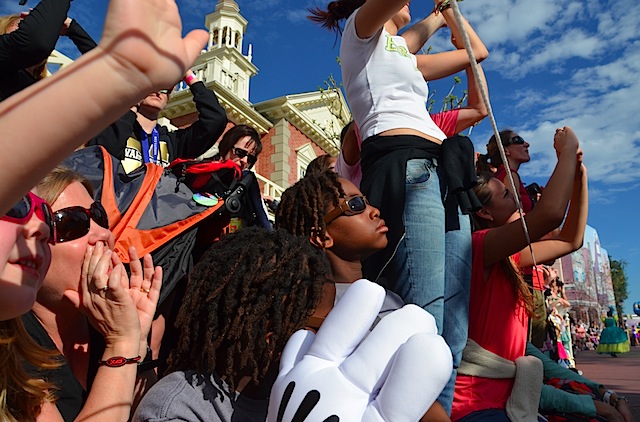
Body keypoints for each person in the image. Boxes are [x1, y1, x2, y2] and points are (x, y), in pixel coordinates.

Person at [309, 0, 488, 412]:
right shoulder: (361, 34)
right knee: (424, 322)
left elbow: (476, 55)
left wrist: (448, 14)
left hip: (444, 174)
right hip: (406, 166)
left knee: (453, 333)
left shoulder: (401, 52)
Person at [0, 0, 210, 216]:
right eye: (23, 25)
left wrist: (121, 70)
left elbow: (108, 75)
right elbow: (35, 41)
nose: (39, 27)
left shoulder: (42, 94)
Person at [275, 170, 452, 420]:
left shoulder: (386, 295)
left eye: (366, 201)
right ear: (321, 237)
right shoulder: (326, 311)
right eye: (355, 205)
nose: (374, 210)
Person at [452, 127, 588, 421]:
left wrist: (579, 176)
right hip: (476, 406)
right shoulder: (479, 247)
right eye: (504, 195)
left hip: (505, 401)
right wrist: (566, 152)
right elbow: (550, 214)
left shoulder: (509, 256)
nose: (515, 200)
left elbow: (571, 240)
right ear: (485, 214)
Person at [133, 227, 333, 422]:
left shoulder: (306, 398)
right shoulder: (177, 408)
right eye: (323, 326)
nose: (332, 337)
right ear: (270, 335)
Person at [24, 166, 162, 421]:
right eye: (73, 223)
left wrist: (138, 342)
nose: (103, 234)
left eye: (99, 216)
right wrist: (122, 345)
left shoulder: (106, 324)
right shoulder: (12, 340)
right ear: (30, 244)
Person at [87, 68, 227, 173]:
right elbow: (99, 159)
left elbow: (216, 119)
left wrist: (188, 76)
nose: (158, 91)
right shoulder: (113, 126)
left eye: (165, 88)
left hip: (153, 210)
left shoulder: (173, 142)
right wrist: (132, 105)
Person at [0, 190, 58, 421]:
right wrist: (121, 344)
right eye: (14, 203)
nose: (43, 228)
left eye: (48, 216)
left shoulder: (15, 374)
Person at [0, 0, 97, 102]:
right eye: (22, 23)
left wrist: (72, 28)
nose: (30, 26)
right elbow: (33, 42)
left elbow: (107, 73)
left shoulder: (45, 91)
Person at [477, 129, 533, 213]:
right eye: (518, 140)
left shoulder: (498, 176)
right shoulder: (509, 175)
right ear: (505, 150)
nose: (527, 144)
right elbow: (514, 212)